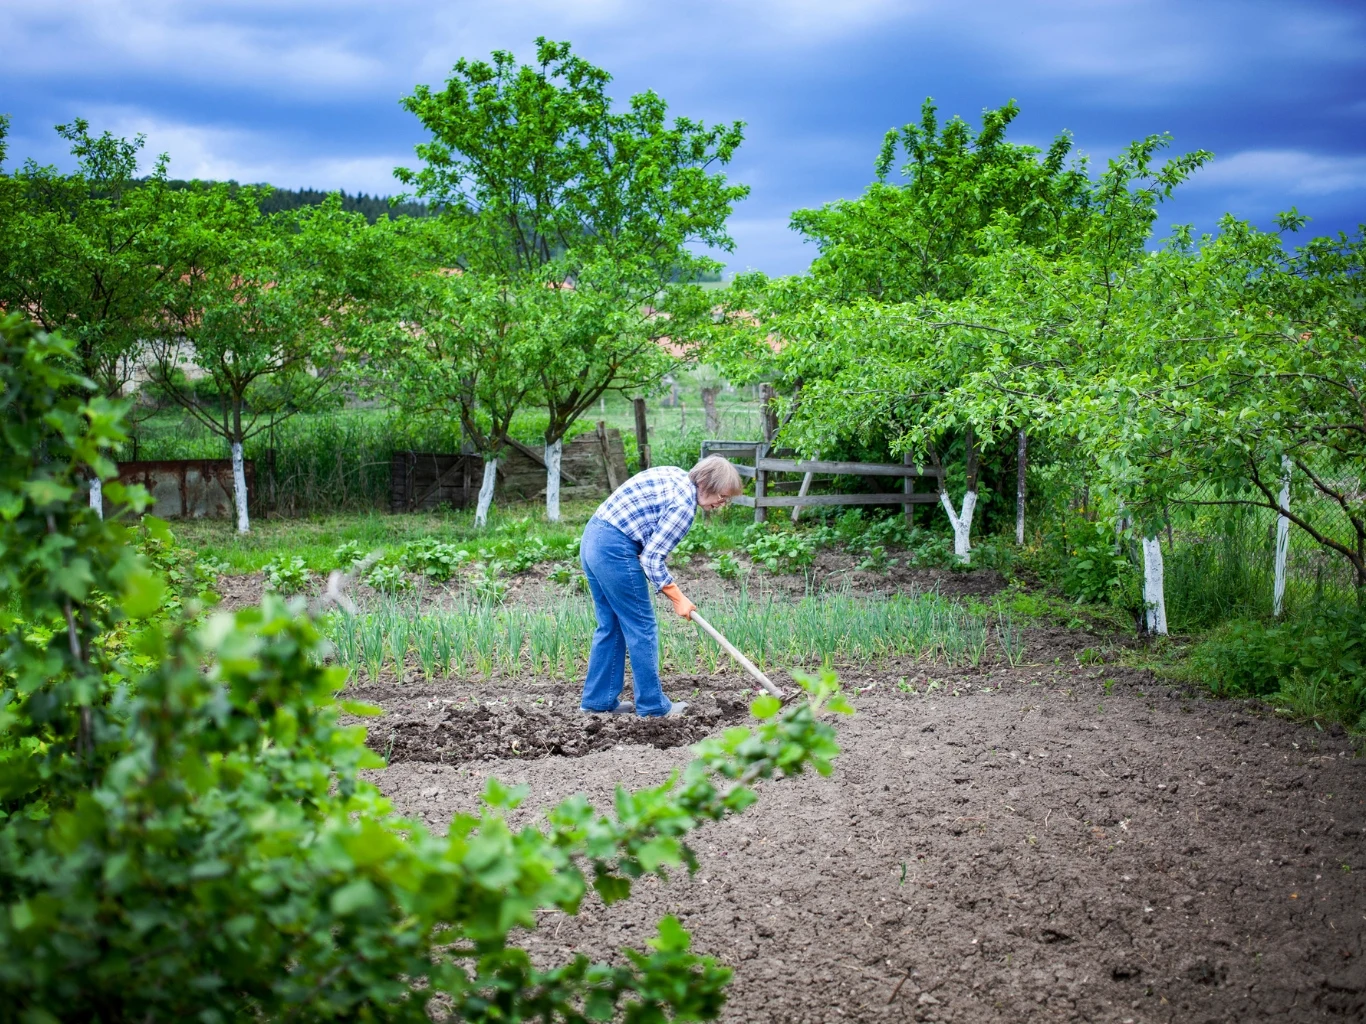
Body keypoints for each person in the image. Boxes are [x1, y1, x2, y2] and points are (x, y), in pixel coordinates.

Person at [579, 455, 744, 717]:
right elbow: (652, 559)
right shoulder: (683, 507)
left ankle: (597, 702)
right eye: (722, 496)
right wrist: (678, 597)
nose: (721, 504)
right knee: (642, 627)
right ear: (705, 482)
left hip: (593, 537)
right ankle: (653, 707)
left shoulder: (676, 475)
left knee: (610, 625)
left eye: (727, 500)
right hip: (613, 548)